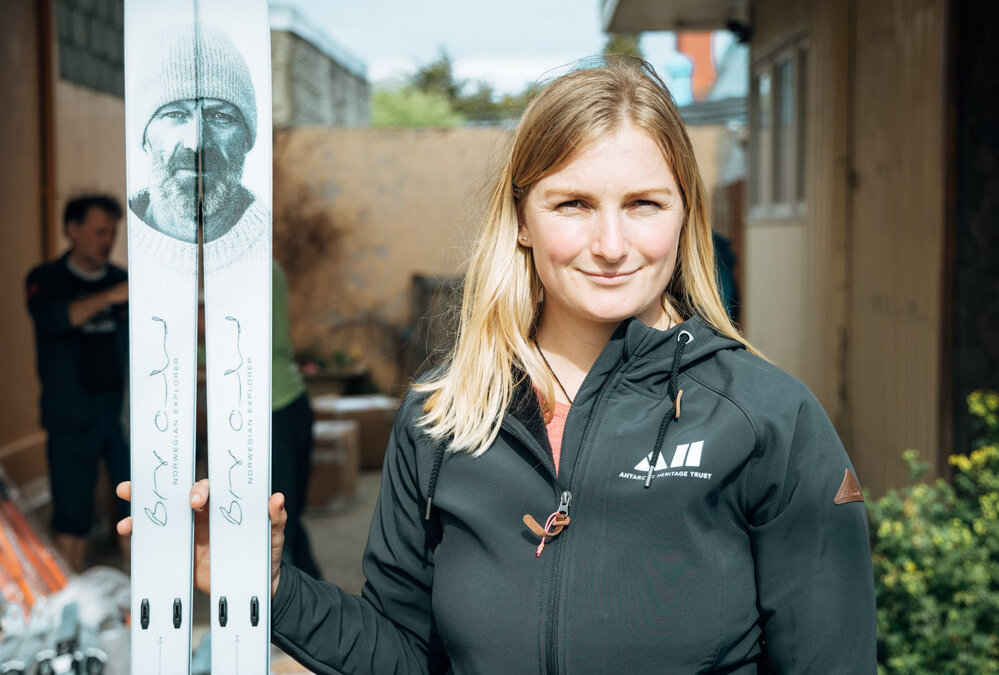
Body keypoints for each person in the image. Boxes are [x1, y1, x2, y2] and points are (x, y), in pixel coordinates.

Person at [120, 58, 877, 673]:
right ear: (520, 219)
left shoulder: (767, 419)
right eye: (572, 204)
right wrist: (270, 587)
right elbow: (403, 655)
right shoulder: (442, 417)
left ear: (684, 217)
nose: (612, 245)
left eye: (644, 204)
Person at [27, 195, 130, 571]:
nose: (109, 240)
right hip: (69, 413)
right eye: (100, 231)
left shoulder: (121, 278)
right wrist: (112, 297)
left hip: (121, 413)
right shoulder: (46, 280)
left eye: (113, 232)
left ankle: (138, 597)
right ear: (72, 230)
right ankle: (74, 597)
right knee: (71, 513)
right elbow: (54, 319)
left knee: (135, 509)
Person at [127, 23, 267, 271]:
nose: (196, 144)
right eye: (175, 114)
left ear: (246, 138)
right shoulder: (117, 250)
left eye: (220, 117)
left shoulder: (277, 252)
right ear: (145, 136)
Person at [271, 260, 321, 579]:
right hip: (290, 400)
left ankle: (296, 598)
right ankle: (315, 594)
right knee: (288, 518)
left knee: (279, 520)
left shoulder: (246, 266)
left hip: (274, 408)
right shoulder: (271, 265)